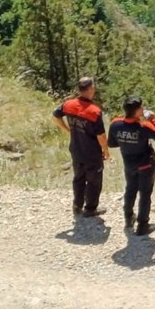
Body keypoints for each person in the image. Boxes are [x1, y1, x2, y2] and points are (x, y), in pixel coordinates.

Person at [108, 97, 155, 236]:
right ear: (137, 111)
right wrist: (153, 119)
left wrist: (126, 143)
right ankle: (143, 225)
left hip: (129, 163)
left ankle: (128, 218)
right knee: (145, 194)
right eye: (141, 107)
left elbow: (111, 143)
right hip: (145, 165)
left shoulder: (115, 124)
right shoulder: (143, 126)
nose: (143, 109)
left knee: (130, 189)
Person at [52, 77, 109, 217]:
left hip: (76, 149)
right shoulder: (94, 111)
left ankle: (77, 205)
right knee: (94, 181)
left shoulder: (68, 104)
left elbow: (55, 117)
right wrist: (106, 150)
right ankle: (90, 209)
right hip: (92, 152)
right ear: (91, 90)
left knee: (78, 177)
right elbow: (101, 136)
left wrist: (67, 129)